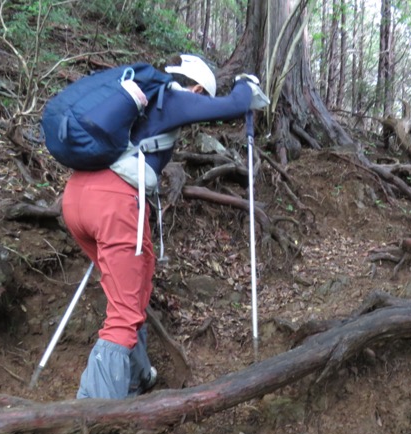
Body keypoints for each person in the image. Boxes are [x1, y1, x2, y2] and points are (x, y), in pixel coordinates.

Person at [61, 55, 268, 400]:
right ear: (198, 88)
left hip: (78, 197)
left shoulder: (141, 99)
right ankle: (95, 418)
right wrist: (247, 85)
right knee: (124, 311)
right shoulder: (173, 96)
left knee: (136, 281)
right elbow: (234, 104)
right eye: (200, 95)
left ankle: (136, 377)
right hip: (114, 203)